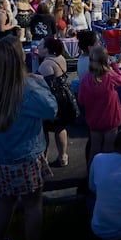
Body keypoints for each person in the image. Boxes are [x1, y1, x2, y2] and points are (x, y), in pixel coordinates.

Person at [0, 35, 57, 240]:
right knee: (32, 204)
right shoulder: (28, 87)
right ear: (20, 58)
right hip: (23, 157)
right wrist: (41, 82)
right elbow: (51, 110)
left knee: (5, 199)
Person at [77, 44, 121, 168]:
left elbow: (81, 100)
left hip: (94, 119)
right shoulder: (110, 77)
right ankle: (107, 174)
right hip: (110, 118)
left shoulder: (86, 80)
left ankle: (91, 174)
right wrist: (115, 65)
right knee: (109, 148)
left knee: (94, 148)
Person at [37, 35, 71, 167]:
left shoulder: (46, 64)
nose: (38, 47)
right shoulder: (60, 58)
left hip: (51, 100)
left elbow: (42, 82)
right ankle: (63, 156)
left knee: (44, 130)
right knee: (60, 128)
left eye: (41, 45)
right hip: (63, 99)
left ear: (47, 49)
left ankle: (43, 160)